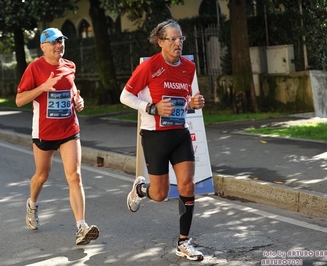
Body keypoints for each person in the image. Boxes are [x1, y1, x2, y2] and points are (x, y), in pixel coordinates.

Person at [120, 19, 205, 261]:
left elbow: (182, 102)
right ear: (161, 42)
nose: (178, 43)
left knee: (187, 184)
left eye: (181, 39)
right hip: (154, 135)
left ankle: (183, 241)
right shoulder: (150, 66)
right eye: (173, 39)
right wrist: (151, 108)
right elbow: (125, 96)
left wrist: (193, 104)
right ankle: (141, 188)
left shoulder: (189, 67)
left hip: (179, 133)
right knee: (159, 194)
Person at [16, 28, 99, 245]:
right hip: (44, 131)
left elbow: (72, 91)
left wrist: (78, 102)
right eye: (53, 42)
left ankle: (81, 226)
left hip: (69, 129)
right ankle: (32, 204)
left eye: (61, 40)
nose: (58, 45)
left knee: (75, 176)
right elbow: (19, 100)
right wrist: (43, 87)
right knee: (42, 175)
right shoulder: (34, 68)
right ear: (43, 46)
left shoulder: (70, 66)